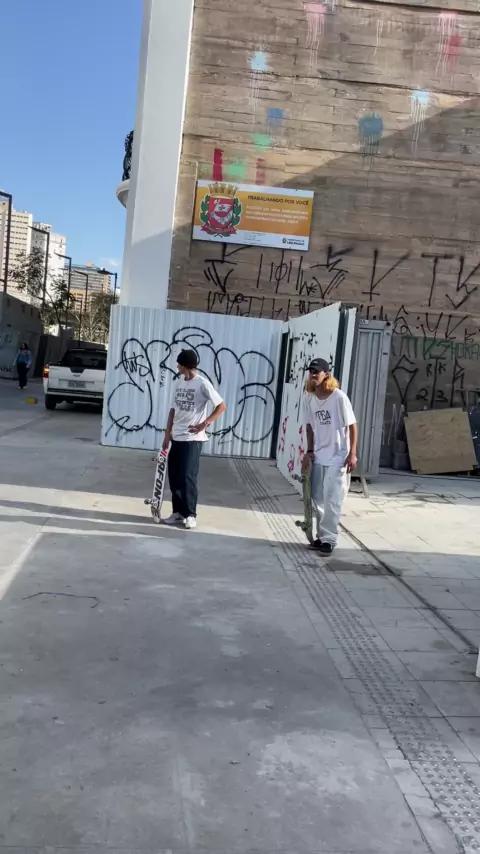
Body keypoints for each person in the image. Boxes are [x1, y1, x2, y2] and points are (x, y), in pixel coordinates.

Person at [162, 349, 226, 530]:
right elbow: (173, 410)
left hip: (192, 439)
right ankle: (178, 513)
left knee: (187, 477)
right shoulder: (179, 383)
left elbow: (221, 406)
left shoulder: (202, 384)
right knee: (175, 477)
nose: (177, 367)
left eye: (179, 364)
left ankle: (190, 514)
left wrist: (205, 423)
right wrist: (167, 433)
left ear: (185, 365)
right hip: (176, 436)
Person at [302, 357, 358, 555]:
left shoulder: (338, 397)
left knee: (332, 498)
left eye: (317, 372)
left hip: (338, 456)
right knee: (317, 498)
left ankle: (329, 539)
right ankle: (321, 536)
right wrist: (309, 452)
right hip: (319, 455)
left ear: (326, 375)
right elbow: (309, 427)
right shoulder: (309, 398)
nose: (313, 375)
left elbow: (352, 425)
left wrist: (352, 453)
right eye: (311, 371)